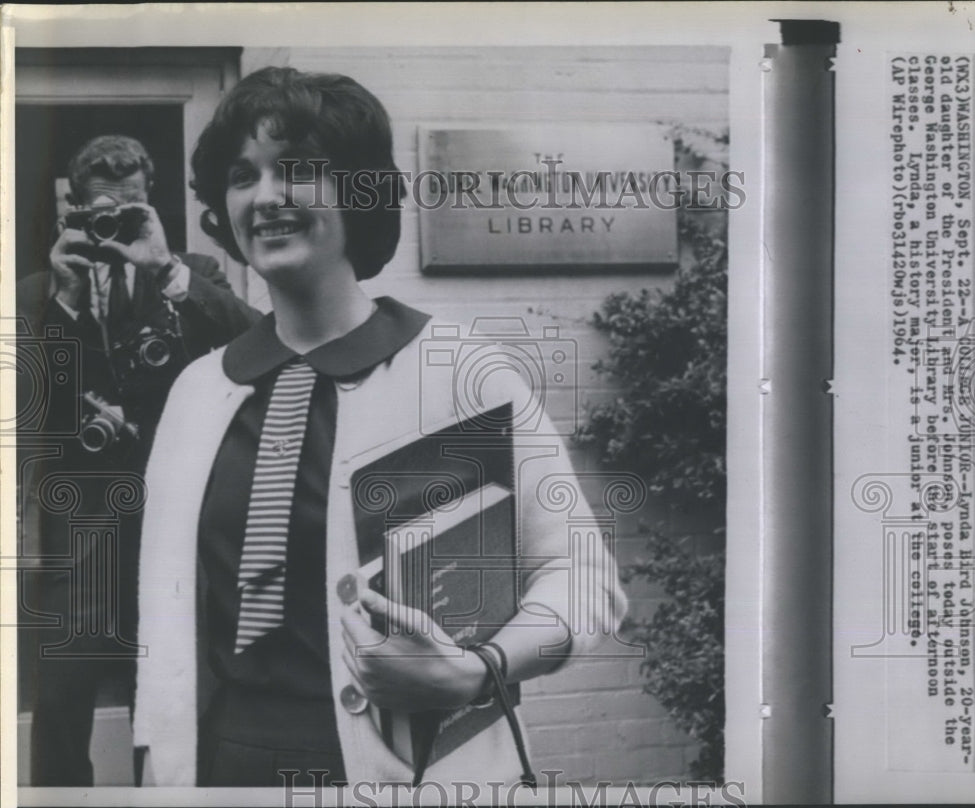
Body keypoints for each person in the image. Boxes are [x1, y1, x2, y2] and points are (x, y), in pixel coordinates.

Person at [133, 67, 627, 788]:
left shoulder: (461, 375)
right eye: (242, 176)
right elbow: (168, 621)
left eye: (296, 169)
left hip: (414, 773)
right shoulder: (198, 394)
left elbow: (581, 578)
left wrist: (480, 668)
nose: (265, 197)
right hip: (225, 767)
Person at [16, 134, 261, 786]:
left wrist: (165, 270)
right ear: (71, 209)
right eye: (99, 214)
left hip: (172, 519)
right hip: (81, 522)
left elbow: (254, 345)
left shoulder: (193, 274)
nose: (111, 228)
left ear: (150, 203)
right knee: (62, 697)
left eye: (128, 213)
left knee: (163, 691)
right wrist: (65, 301)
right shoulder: (38, 291)